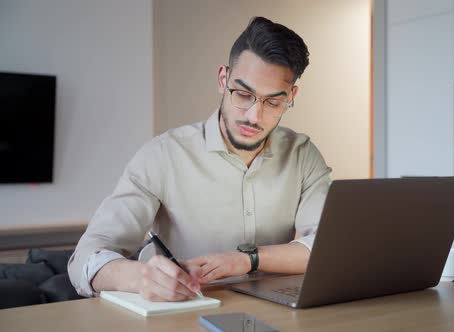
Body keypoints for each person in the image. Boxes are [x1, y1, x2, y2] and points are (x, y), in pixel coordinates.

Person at [67, 16, 332, 302]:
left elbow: (326, 247)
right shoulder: (163, 154)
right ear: (222, 79)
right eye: (243, 94)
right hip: (185, 313)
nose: (254, 116)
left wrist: (246, 260)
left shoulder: (303, 155)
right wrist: (141, 278)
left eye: (273, 102)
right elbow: (85, 258)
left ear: (291, 96)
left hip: (279, 312)